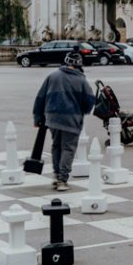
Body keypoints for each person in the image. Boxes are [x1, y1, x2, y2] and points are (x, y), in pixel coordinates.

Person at [32, 51, 95, 191]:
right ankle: (62, 179)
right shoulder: (81, 81)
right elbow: (90, 102)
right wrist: (81, 111)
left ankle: (56, 175)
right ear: (79, 65)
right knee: (68, 148)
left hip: (52, 119)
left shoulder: (52, 76)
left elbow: (40, 98)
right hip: (71, 119)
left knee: (56, 146)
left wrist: (37, 117)